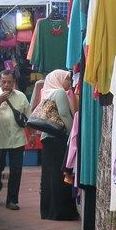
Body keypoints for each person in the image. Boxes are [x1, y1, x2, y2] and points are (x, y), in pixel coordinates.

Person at [34, 69, 80, 221]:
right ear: (59, 79)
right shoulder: (59, 92)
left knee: (49, 175)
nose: (69, 82)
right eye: (67, 79)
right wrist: (72, 133)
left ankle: (48, 210)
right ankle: (61, 211)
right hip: (58, 138)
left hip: (47, 139)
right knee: (60, 174)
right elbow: (64, 115)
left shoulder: (47, 92)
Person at [0, 69, 30, 210]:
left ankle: (12, 200)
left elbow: (28, 117)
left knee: (16, 170)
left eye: (9, 82)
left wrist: (32, 134)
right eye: (4, 82)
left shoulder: (21, 97)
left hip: (17, 139)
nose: (6, 85)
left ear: (14, 82)